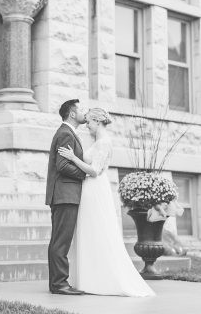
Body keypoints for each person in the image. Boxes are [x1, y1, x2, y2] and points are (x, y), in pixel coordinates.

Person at [58, 108, 155, 297]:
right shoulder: (99, 142)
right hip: (90, 188)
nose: (88, 127)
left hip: (95, 189)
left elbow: (94, 170)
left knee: (97, 230)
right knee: (89, 232)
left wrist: (73, 158)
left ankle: (100, 279)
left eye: (89, 123)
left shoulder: (103, 143)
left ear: (97, 121)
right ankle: (89, 277)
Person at [45, 99, 87, 295]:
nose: (83, 112)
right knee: (61, 241)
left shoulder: (67, 133)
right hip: (65, 195)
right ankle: (60, 284)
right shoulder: (65, 133)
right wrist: (85, 174)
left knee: (58, 241)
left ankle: (57, 283)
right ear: (72, 113)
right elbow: (62, 166)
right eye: (80, 109)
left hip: (65, 195)